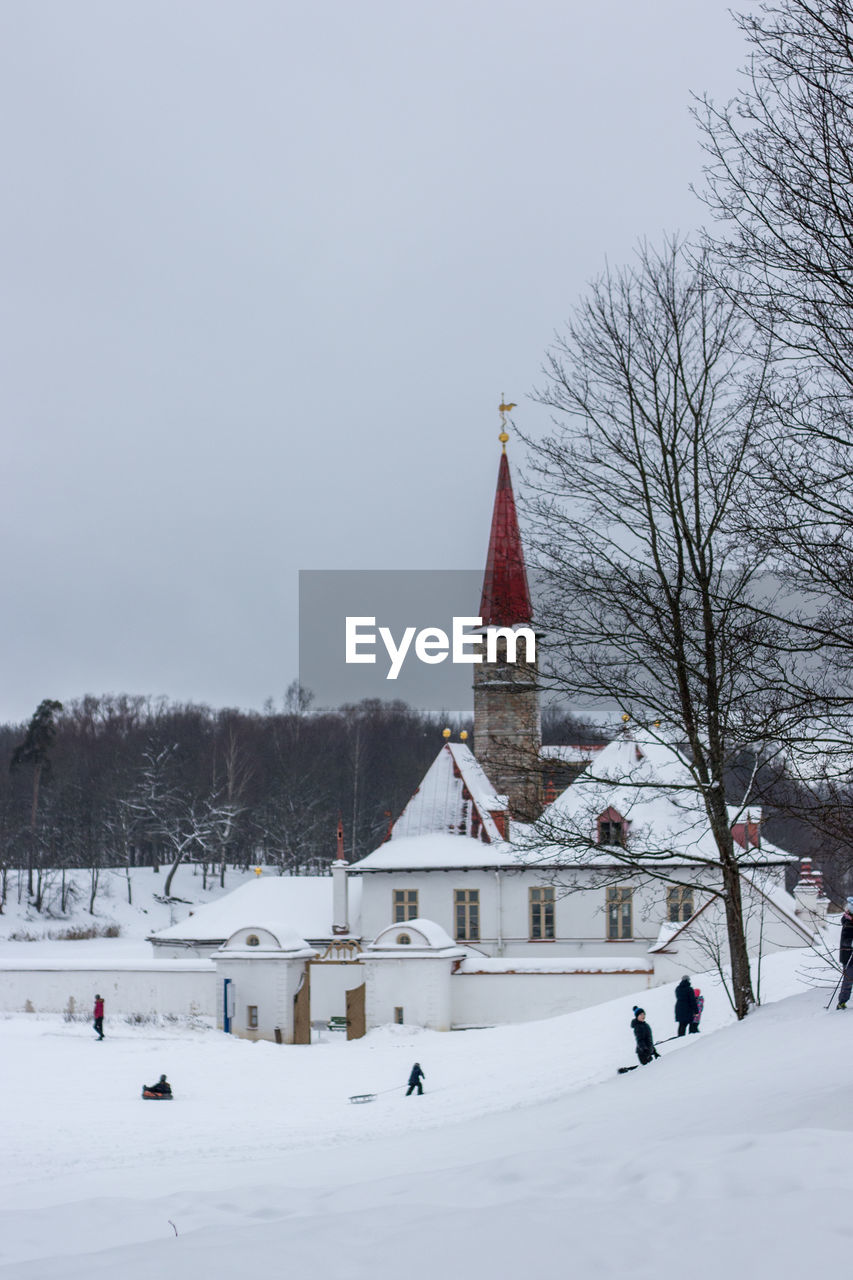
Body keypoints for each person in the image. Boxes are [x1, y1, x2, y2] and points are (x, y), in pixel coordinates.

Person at [837, 896, 853, 1009]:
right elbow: (846, 940)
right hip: (848, 956)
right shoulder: (847, 921)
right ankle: (842, 1002)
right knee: (848, 980)